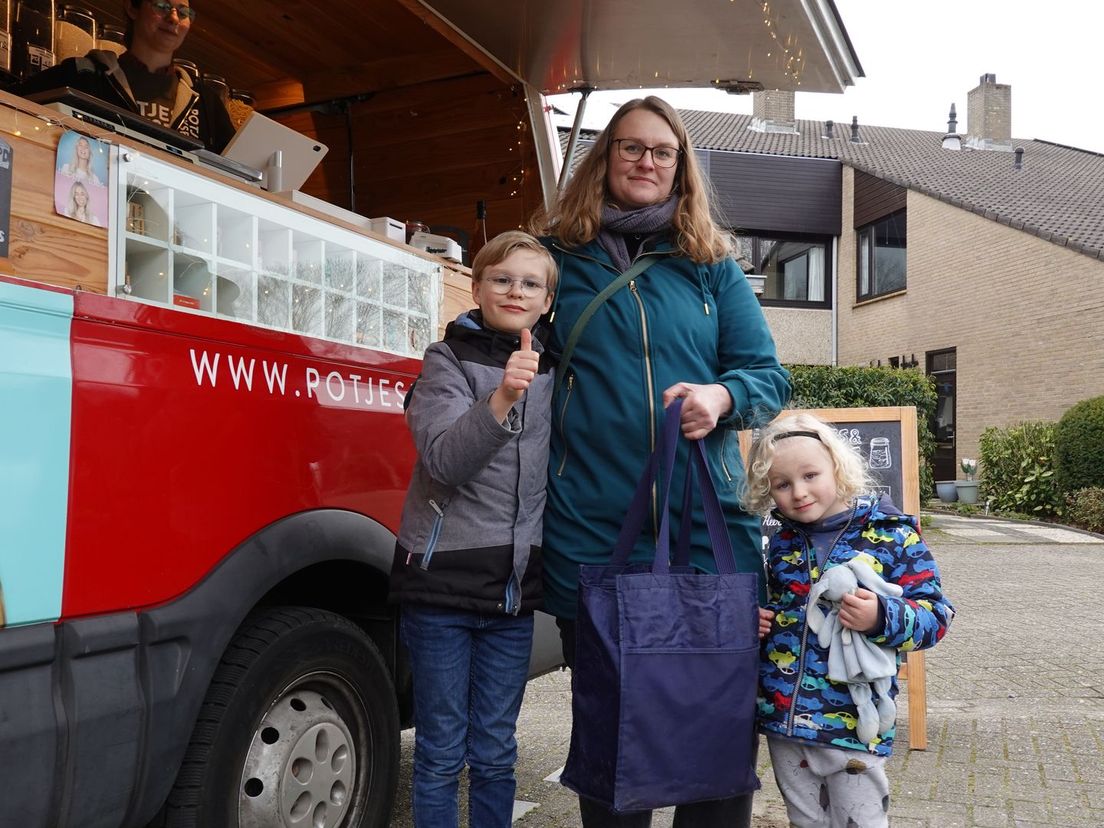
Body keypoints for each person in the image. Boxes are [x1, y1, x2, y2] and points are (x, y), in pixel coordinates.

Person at [528, 95, 791, 826]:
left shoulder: (710, 266)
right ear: (605, 159)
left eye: (662, 151)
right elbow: (498, 326)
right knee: (614, 742)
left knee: (715, 741)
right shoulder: (555, 259)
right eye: (631, 148)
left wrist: (721, 394)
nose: (646, 162)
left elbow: (769, 379)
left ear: (682, 167)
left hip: (709, 536)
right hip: (595, 532)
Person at [389, 230, 557, 828]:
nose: (516, 290)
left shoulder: (554, 370)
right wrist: (505, 396)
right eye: (503, 278)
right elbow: (443, 461)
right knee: (439, 753)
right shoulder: (446, 360)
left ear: (547, 302)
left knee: (495, 753)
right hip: (441, 590)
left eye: (531, 283)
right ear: (477, 286)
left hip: (511, 594)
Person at [743, 413, 955, 828]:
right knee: (805, 821)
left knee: (861, 821)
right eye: (782, 484)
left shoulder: (893, 535)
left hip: (854, 725)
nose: (799, 493)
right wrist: (754, 622)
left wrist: (882, 616)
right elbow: (775, 612)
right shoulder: (779, 543)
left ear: (837, 468)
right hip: (786, 720)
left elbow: (937, 616)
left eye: (810, 475)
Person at [13, 0, 235, 152]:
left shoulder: (206, 104)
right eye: (162, 5)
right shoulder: (84, 75)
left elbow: (239, 177)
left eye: (184, 12)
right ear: (132, 7)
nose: (174, 18)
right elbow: (13, 106)